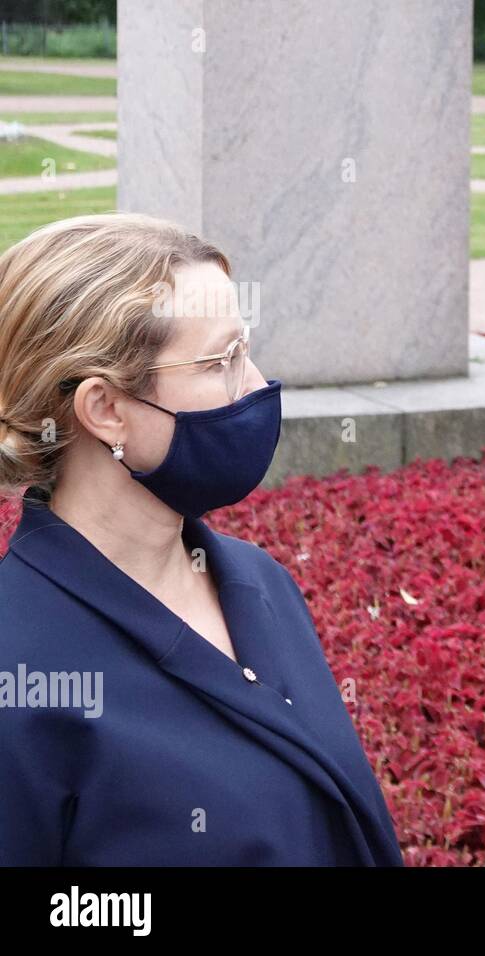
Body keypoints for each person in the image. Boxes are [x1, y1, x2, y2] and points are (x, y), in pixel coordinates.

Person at [0, 212, 404, 865]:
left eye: (247, 349)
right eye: (225, 360)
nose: (257, 386)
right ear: (105, 410)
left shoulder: (257, 580)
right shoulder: (19, 668)